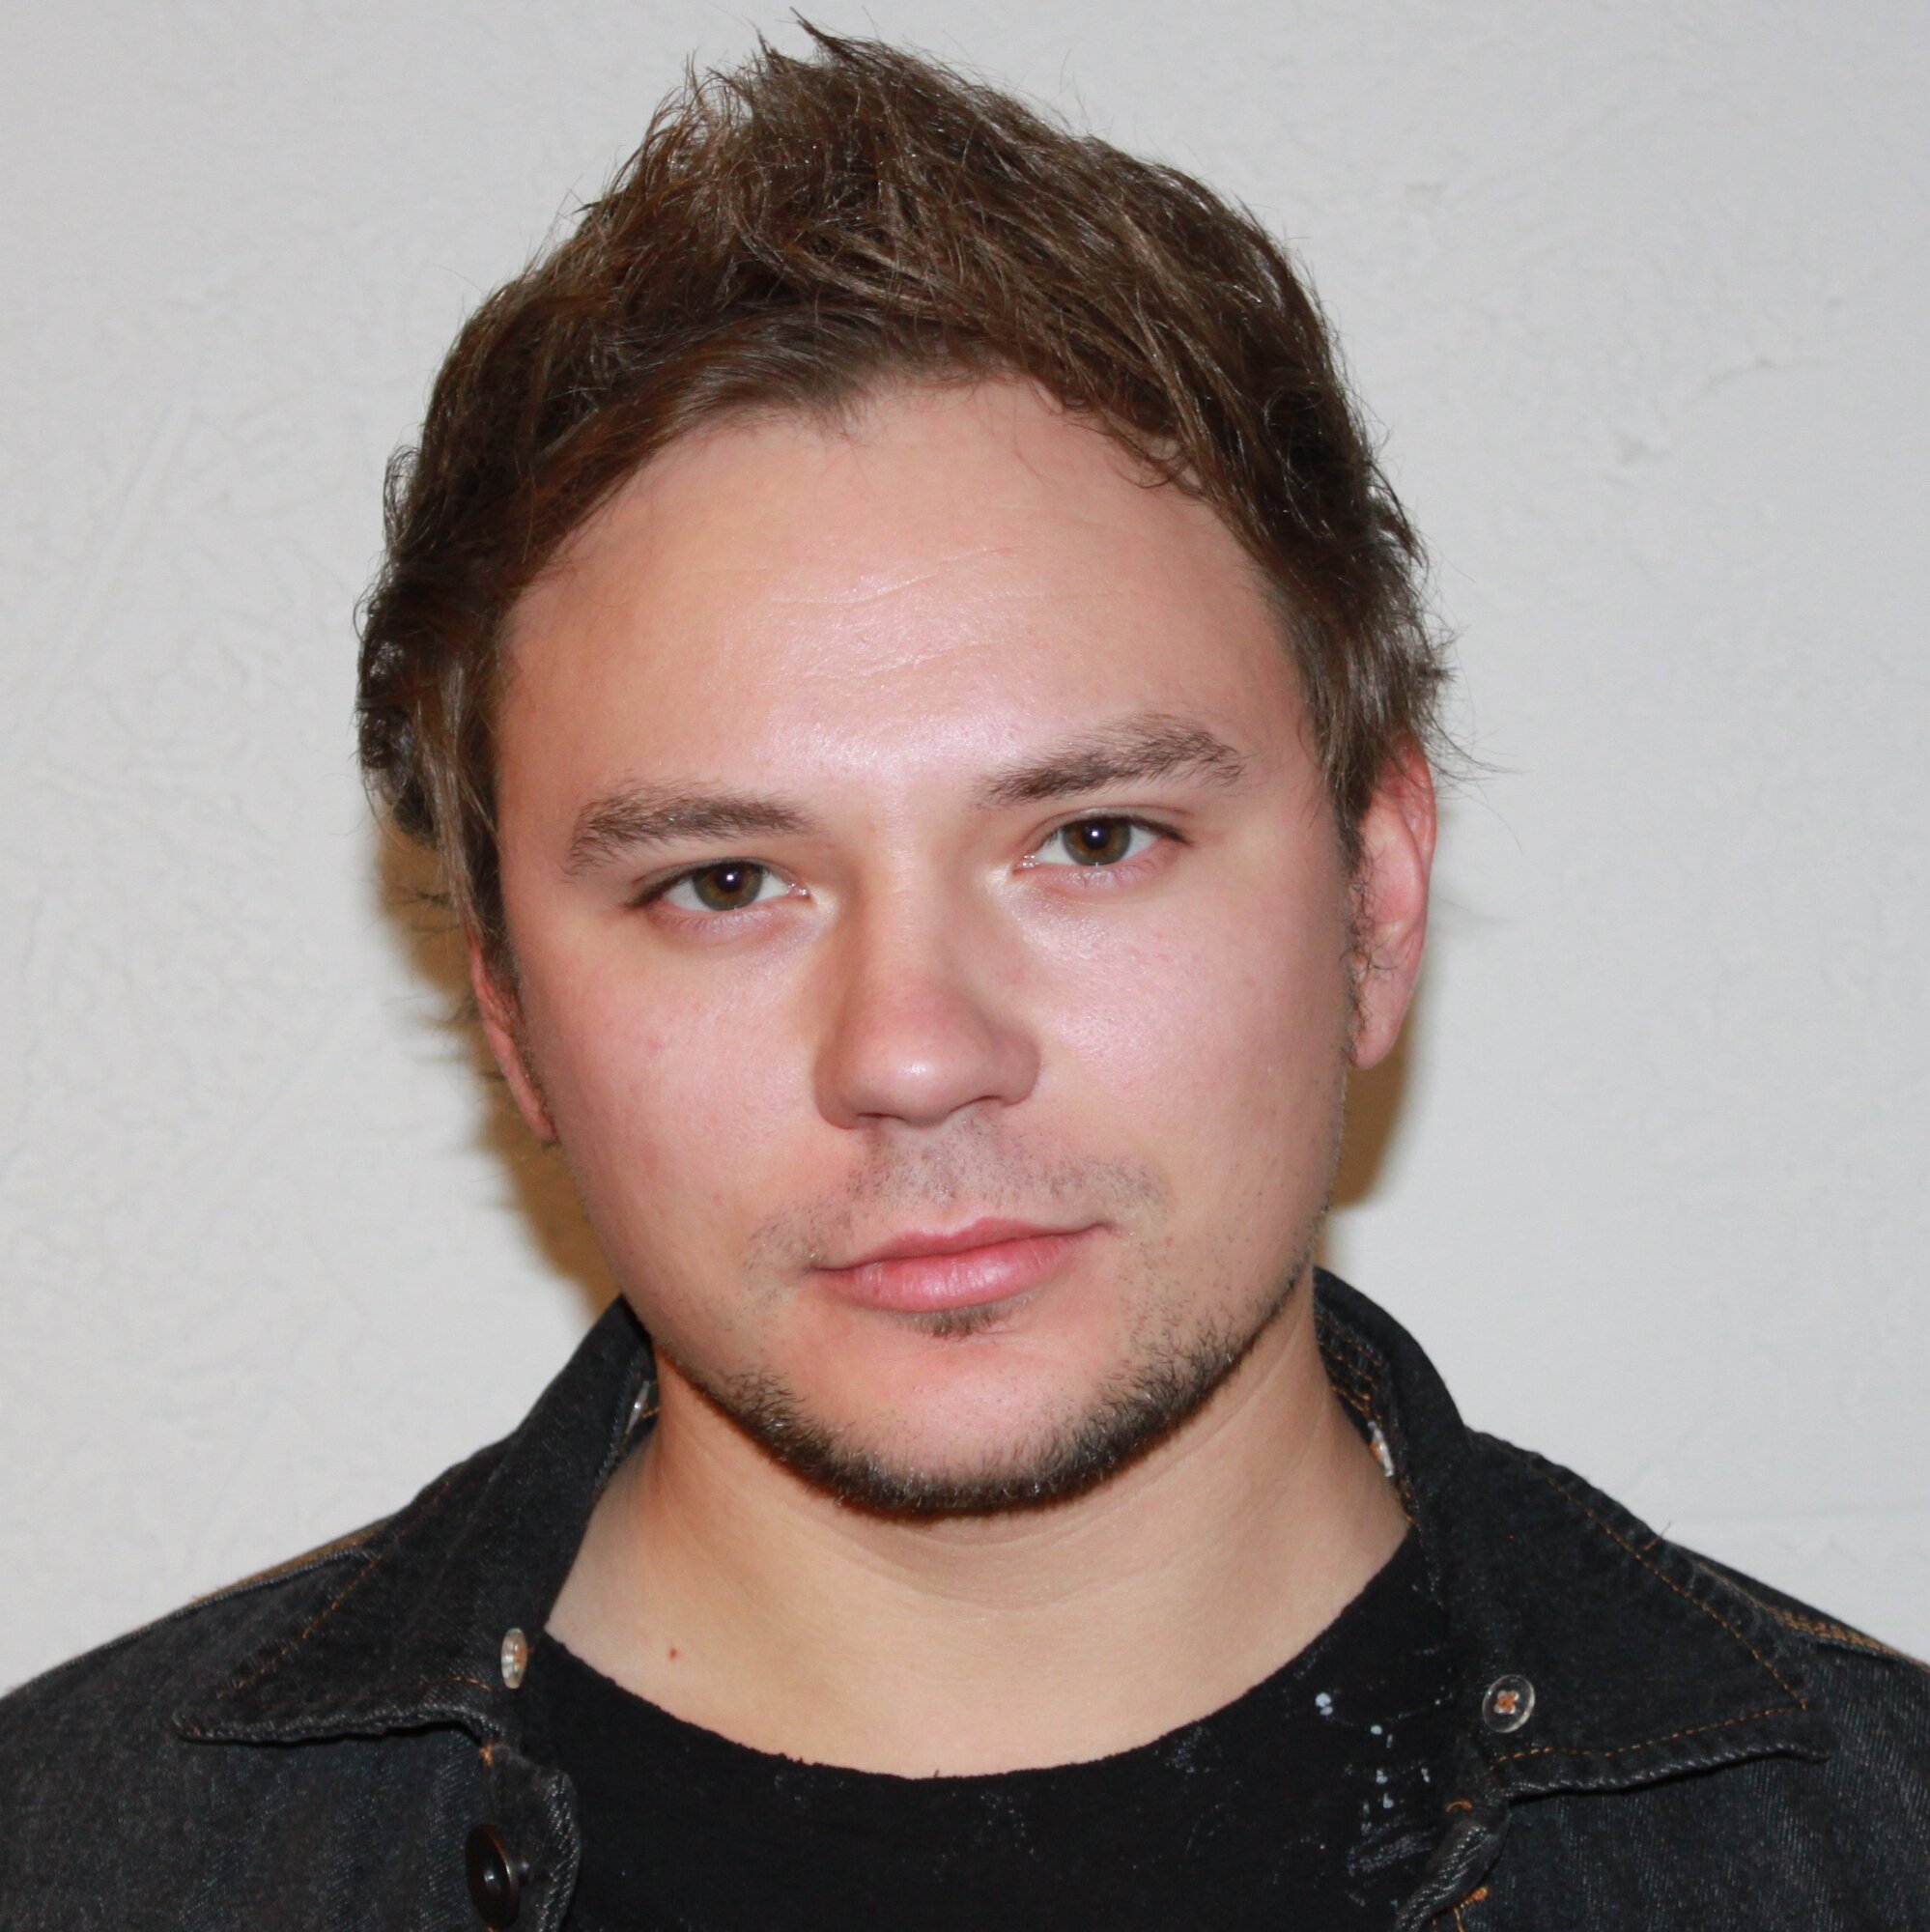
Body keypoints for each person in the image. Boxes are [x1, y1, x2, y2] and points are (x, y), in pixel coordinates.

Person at [2, 27, 1925, 1931]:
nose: (916, 1055)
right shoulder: (80, 1860)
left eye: (1093, 838)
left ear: (1375, 898)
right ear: (507, 1004)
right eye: (725, 882)